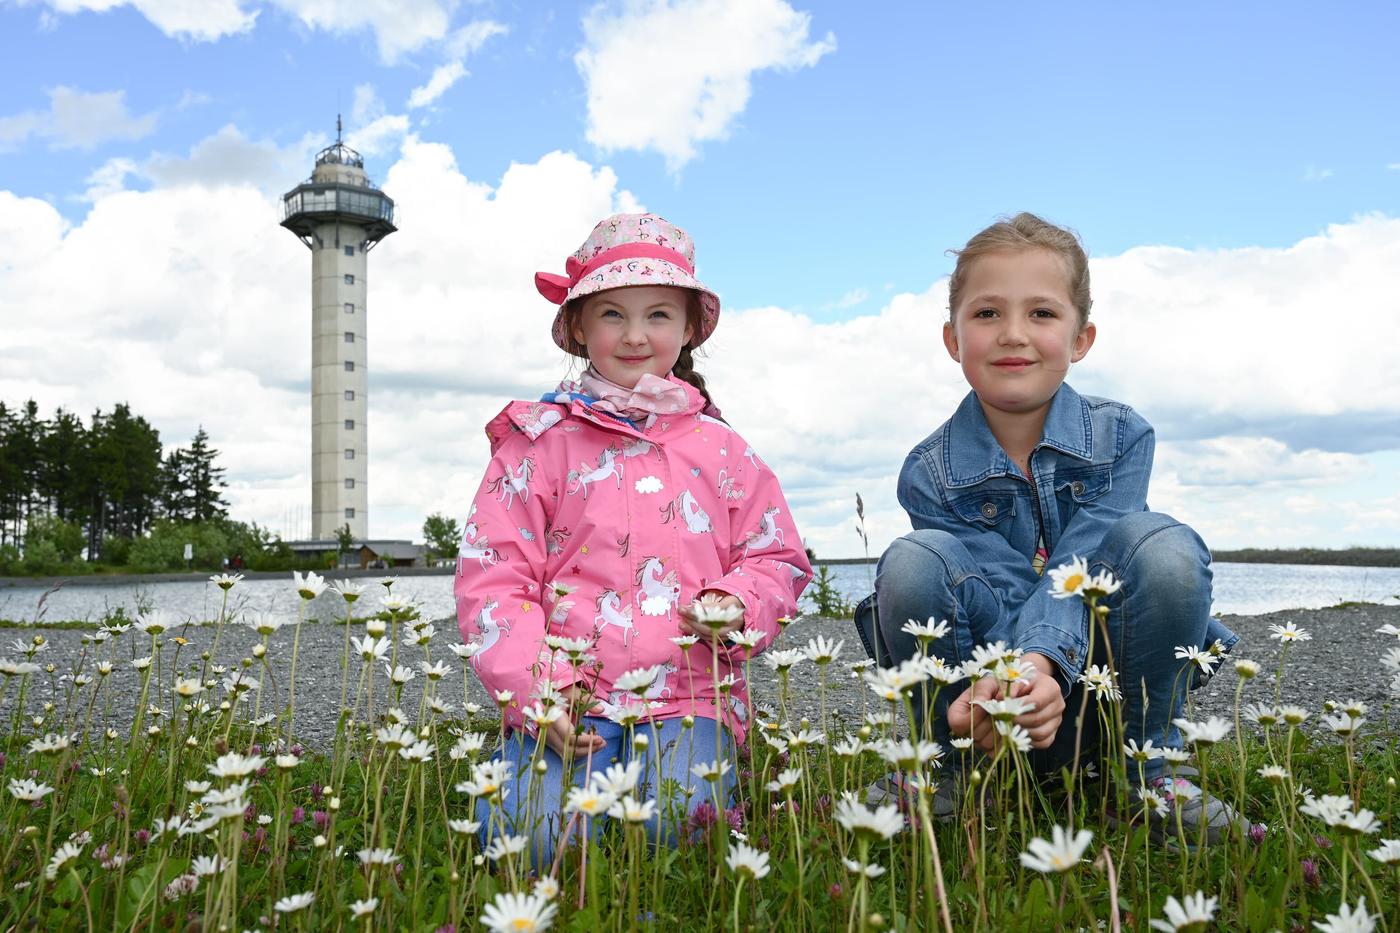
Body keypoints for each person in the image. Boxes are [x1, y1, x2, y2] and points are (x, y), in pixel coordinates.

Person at [854, 212, 1244, 842]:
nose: (1013, 334)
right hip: (983, 704)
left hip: (1098, 692)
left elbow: (1085, 561)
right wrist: (1013, 680)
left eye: (1041, 313)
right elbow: (999, 588)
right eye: (986, 314)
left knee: (1162, 545)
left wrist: (1041, 661)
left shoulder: (1123, 436)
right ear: (952, 339)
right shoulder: (927, 472)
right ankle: (947, 765)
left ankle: (1149, 771)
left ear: (1081, 337)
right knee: (913, 558)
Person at [455, 212, 812, 863]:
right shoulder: (536, 445)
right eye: (613, 314)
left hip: (689, 699)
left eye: (657, 315)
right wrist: (541, 690)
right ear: (580, 327)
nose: (635, 334)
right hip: (569, 700)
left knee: (677, 829)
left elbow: (777, 556)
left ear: (687, 327)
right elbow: (496, 578)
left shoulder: (723, 448)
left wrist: (735, 602)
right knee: (530, 836)